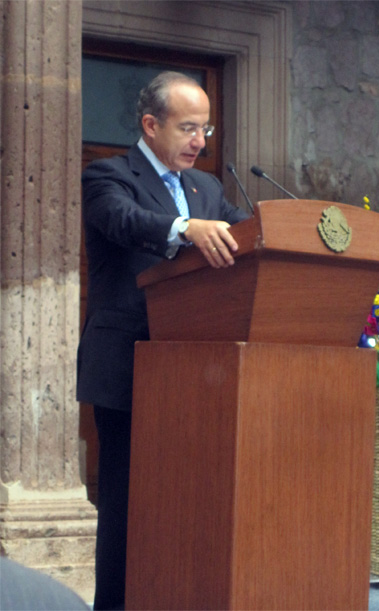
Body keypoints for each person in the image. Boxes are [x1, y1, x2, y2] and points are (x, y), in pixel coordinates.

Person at [76, 71, 248, 610]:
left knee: (183, 503)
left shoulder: (208, 189)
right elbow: (124, 221)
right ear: (151, 125)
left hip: (195, 369)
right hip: (129, 366)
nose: (200, 141)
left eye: (207, 130)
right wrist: (184, 228)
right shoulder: (107, 175)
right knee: (128, 506)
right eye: (189, 128)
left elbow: (247, 233)